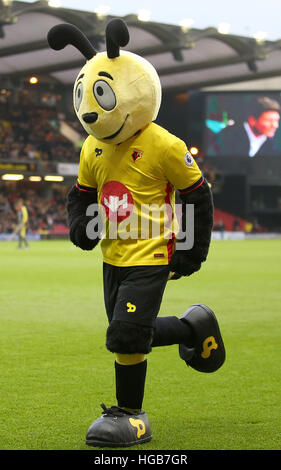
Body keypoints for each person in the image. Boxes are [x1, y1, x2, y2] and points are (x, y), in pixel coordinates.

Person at [48, 19, 225, 448]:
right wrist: (80, 226)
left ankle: (132, 415)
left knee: (125, 335)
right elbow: (81, 194)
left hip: (152, 254)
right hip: (112, 256)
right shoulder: (91, 146)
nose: (90, 110)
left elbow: (197, 197)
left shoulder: (164, 144)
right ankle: (191, 327)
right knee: (131, 330)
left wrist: (190, 251)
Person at [216, 96, 281, 157]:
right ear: (252, 120)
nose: (275, 125)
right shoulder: (227, 136)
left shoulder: (272, 146)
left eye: (277, 120)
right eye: (269, 120)